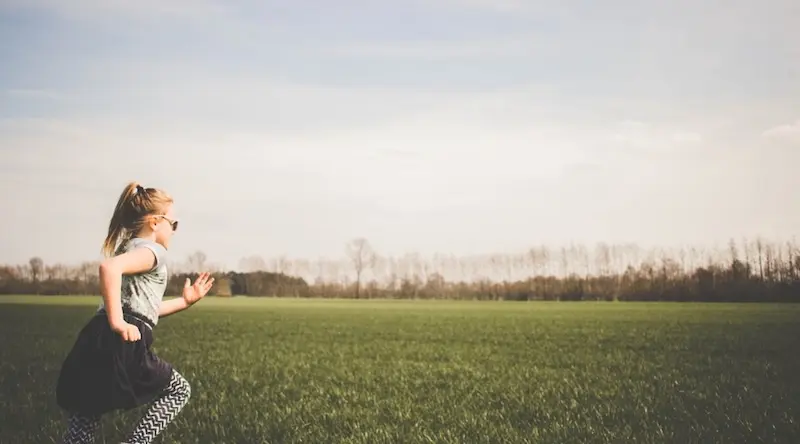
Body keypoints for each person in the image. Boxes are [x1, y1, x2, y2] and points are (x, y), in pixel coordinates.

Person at [55, 182, 214, 444]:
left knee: (84, 423)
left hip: (96, 338)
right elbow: (109, 269)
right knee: (178, 390)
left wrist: (184, 302)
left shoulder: (128, 247)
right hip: (123, 341)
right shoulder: (154, 252)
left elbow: (142, 310)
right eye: (173, 224)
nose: (174, 231)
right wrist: (118, 323)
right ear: (155, 222)